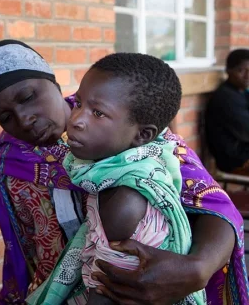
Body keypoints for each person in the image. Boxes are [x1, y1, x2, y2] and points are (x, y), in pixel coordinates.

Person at [0, 40, 248, 304]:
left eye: (29, 96)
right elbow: (20, 248)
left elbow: (211, 202)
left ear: (53, 82)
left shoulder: (123, 124)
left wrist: (197, 268)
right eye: (5, 117)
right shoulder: (7, 160)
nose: (24, 118)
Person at [28, 53, 205, 304]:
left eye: (98, 114)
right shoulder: (138, 166)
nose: (76, 120)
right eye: (78, 104)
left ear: (142, 134)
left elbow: (108, 293)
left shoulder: (123, 202)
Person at [205, 49, 249, 175]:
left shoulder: (241, 92)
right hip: (235, 158)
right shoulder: (226, 98)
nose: (247, 75)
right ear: (229, 71)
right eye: (241, 70)